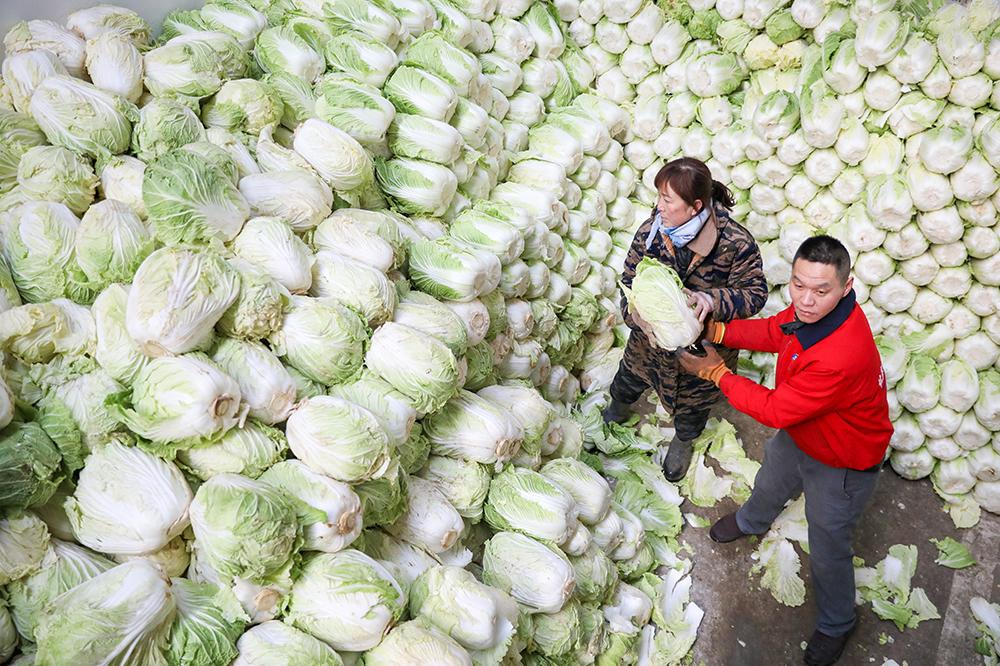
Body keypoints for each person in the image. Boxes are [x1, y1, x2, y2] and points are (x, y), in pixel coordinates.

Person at [678, 235, 893, 666]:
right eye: (799, 285)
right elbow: (776, 331)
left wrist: (716, 372)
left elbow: (776, 409)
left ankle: (837, 622)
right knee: (773, 476)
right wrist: (717, 329)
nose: (807, 300)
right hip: (805, 431)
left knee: (829, 542)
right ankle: (751, 519)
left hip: (844, 459)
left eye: (821, 290)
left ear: (846, 286)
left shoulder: (840, 354)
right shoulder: (810, 314)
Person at [603, 157, 767, 482]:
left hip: (700, 349)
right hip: (648, 345)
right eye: (659, 197)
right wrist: (633, 315)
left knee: (692, 407)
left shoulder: (735, 243)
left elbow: (755, 293)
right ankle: (616, 411)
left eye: (667, 199)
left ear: (694, 206)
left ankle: (683, 442)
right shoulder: (653, 230)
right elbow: (630, 277)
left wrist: (713, 300)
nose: (659, 206)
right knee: (628, 380)